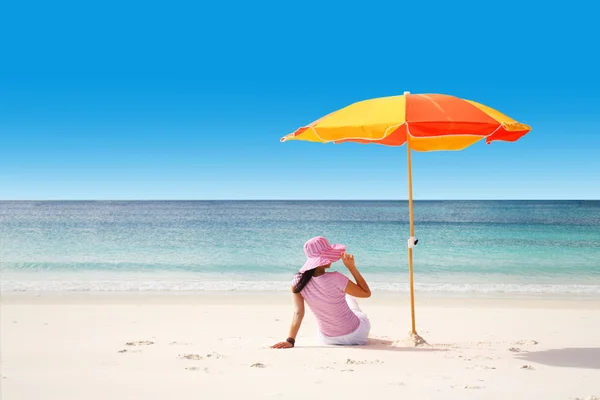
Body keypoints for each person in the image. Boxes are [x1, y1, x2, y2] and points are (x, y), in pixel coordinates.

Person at [271, 236, 371, 349]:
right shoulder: (337, 278)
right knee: (352, 302)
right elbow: (366, 293)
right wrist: (351, 267)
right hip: (356, 336)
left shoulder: (297, 283)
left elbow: (298, 313)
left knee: (345, 300)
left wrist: (290, 340)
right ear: (322, 260)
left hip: (328, 339)